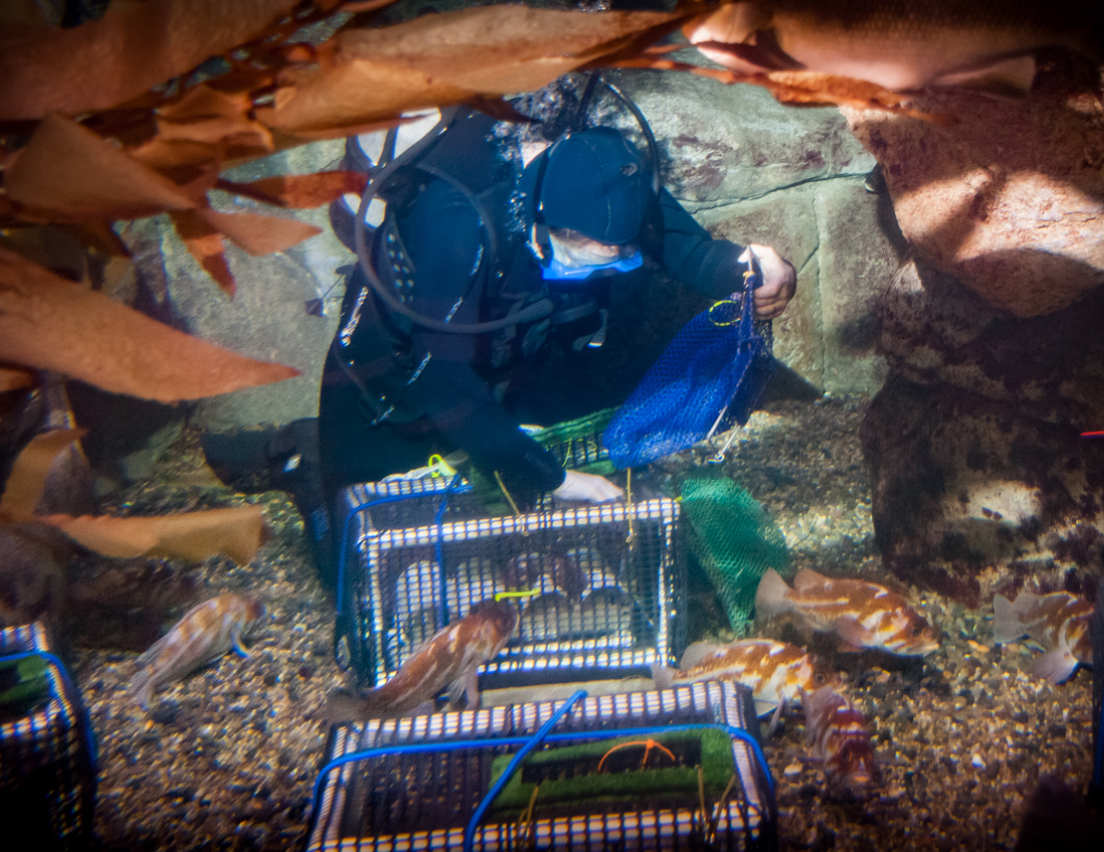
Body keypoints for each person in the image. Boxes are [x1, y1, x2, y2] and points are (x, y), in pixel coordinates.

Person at [205, 96, 795, 581]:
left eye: (621, 254)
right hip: (393, 388)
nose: (607, 265)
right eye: (589, 254)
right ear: (545, 222)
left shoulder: (603, 172)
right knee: (368, 572)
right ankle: (305, 463)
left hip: (504, 366)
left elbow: (685, 246)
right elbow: (437, 377)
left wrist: (746, 269)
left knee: (508, 557)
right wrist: (553, 477)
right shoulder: (455, 222)